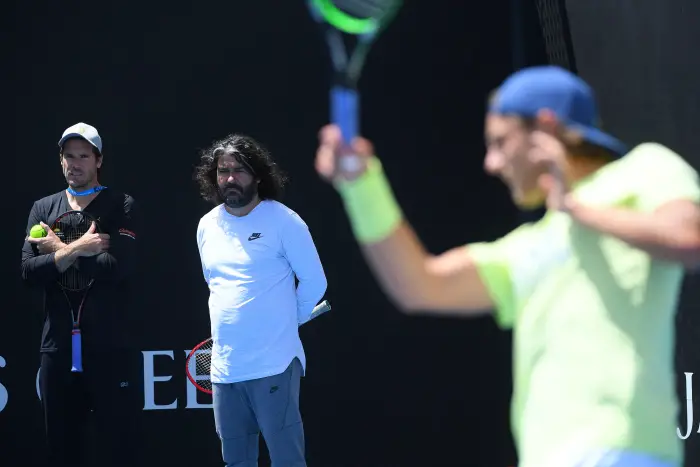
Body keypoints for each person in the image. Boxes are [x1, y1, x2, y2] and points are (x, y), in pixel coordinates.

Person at [314, 66, 700, 467]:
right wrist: (360, 185)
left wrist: (577, 208)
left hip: (624, 454)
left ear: (546, 129)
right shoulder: (526, 247)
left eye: (500, 142)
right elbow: (419, 285)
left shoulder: (646, 168)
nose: (491, 163)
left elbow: (689, 240)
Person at [194, 133, 327, 466]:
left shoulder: (284, 221)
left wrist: (288, 321)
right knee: (236, 462)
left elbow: (315, 281)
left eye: (239, 170)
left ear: (257, 176)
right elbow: (215, 285)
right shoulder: (206, 227)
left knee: (287, 461)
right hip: (225, 370)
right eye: (223, 171)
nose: (230, 179)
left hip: (275, 364)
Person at [21, 122, 141, 466]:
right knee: (62, 449)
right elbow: (29, 273)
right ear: (61, 161)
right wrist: (77, 249)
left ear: (98, 160)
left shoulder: (121, 205)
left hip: (109, 349)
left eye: (83, 156)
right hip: (57, 349)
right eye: (68, 156)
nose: (75, 164)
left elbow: (118, 268)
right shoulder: (42, 209)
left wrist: (56, 251)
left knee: (117, 447)